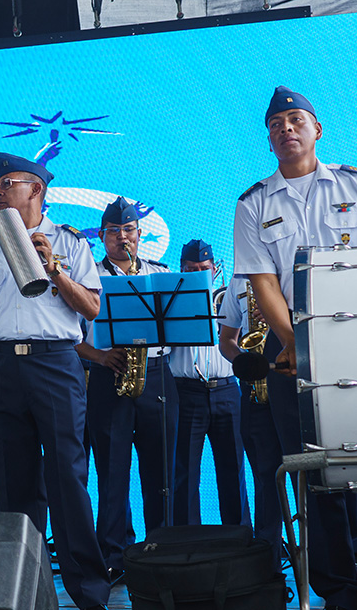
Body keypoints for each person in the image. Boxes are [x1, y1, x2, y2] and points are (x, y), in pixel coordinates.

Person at [0, 152, 109, 610]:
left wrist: (55, 268)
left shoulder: (69, 242)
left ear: (36, 190)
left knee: (66, 474)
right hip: (4, 364)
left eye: (8, 184)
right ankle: (25, 588)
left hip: (55, 363)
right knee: (13, 479)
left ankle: (89, 590)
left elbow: (91, 309)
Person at [233, 86, 357, 609]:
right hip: (294, 367)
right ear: (268, 139)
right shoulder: (254, 203)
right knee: (319, 481)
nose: (286, 129)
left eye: (295, 119)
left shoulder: (353, 185)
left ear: (316, 130)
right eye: (276, 123)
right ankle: (338, 591)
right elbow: (263, 284)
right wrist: (299, 347)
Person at [75, 196, 179, 581]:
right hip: (108, 374)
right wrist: (101, 358)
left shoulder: (159, 275)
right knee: (112, 473)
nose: (123, 238)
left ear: (140, 234)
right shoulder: (87, 280)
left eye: (130, 230)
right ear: (102, 237)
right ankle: (114, 556)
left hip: (156, 375)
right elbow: (71, 338)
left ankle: (161, 548)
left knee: (161, 474)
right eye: (115, 231)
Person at [169, 239, 250, 528]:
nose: (199, 273)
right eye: (192, 269)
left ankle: (241, 542)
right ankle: (186, 544)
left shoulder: (229, 296)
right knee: (184, 473)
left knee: (233, 470)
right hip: (186, 391)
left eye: (205, 268)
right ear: (182, 270)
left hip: (227, 388)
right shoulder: (168, 299)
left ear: (215, 269)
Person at [218, 274, 283, 560]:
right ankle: (268, 557)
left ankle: (329, 556)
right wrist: (243, 361)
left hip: (294, 383)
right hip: (256, 391)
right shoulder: (238, 284)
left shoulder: (295, 276)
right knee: (265, 475)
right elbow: (227, 341)